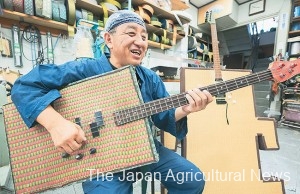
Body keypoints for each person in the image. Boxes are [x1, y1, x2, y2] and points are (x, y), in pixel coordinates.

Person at [11, 10, 213, 194]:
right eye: (131, 33)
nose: (140, 42)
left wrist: (185, 109)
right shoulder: (84, 69)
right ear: (109, 39)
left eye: (144, 37)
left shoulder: (150, 78)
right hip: (100, 154)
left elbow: (162, 117)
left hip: (143, 144)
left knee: (192, 180)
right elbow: (24, 86)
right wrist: (56, 124)